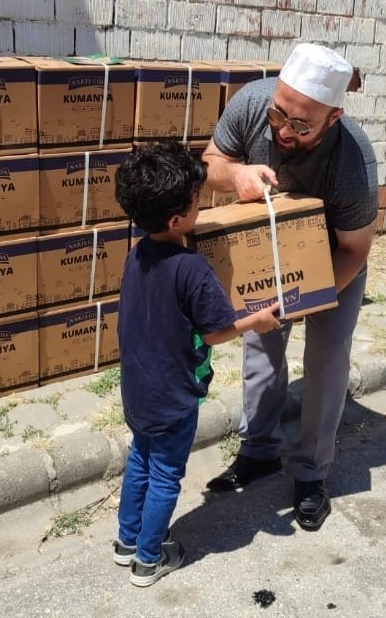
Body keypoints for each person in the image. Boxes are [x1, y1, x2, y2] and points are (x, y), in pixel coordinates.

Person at [201, 43, 378, 532]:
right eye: (279, 114)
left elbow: (355, 249)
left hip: (333, 257)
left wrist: (307, 298)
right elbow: (210, 162)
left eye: (301, 126)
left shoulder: (353, 161)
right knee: (260, 345)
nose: (283, 130)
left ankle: (311, 472)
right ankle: (258, 451)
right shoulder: (252, 103)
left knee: (327, 357)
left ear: (333, 117)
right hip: (267, 246)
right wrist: (235, 173)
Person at [112, 141, 282, 587]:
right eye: (196, 201)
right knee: (166, 475)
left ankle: (127, 541)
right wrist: (257, 321)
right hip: (173, 396)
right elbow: (214, 332)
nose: (201, 206)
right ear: (176, 219)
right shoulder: (191, 267)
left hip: (138, 389)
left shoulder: (137, 253)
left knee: (140, 461)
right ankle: (149, 559)